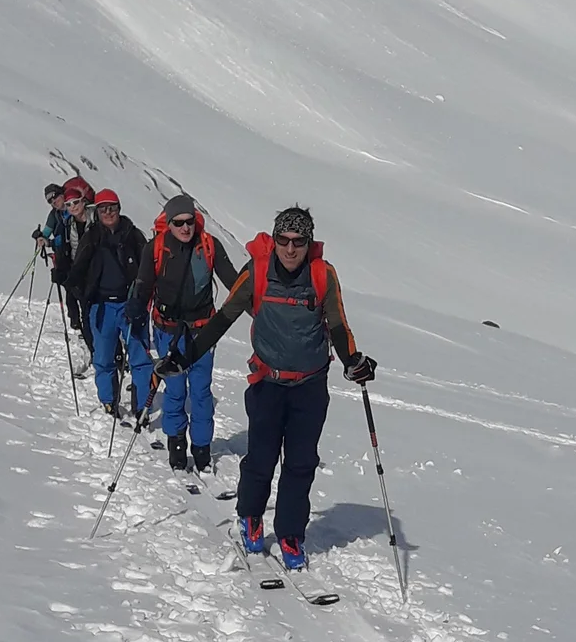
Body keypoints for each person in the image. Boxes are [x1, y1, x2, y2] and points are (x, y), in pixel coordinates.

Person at [162, 205, 375, 571]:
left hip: (310, 386)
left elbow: (338, 325)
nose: (290, 249)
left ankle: (291, 534)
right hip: (268, 383)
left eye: (298, 242)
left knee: (301, 464)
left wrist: (352, 361)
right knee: (261, 458)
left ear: (309, 243)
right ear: (274, 240)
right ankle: (250, 516)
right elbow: (224, 317)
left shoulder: (323, 275)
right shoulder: (257, 272)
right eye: (283, 240)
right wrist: (186, 356)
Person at [131, 192, 240, 475]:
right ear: (169, 223)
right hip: (167, 329)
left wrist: (259, 309)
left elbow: (235, 283)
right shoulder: (155, 247)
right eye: (178, 223)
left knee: (201, 392)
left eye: (189, 221)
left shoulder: (209, 246)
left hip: (202, 332)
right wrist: (135, 312)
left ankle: (201, 450)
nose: (185, 228)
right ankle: (176, 445)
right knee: (176, 391)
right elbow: (144, 284)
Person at [69, 188, 152, 418]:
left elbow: (148, 268)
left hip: (131, 305)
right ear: (97, 211)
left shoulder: (133, 235)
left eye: (112, 208)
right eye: (103, 208)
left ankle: (141, 406)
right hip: (101, 305)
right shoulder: (92, 236)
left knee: (140, 358)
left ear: (119, 209)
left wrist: (141, 297)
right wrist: (70, 281)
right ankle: (108, 401)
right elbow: (80, 267)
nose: (108, 212)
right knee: (103, 358)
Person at [48, 176, 93, 336]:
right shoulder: (58, 218)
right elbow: (51, 233)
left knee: (82, 297)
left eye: (55, 197)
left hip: (88, 266)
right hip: (73, 262)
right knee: (73, 292)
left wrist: (51, 244)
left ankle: (83, 324)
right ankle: (78, 322)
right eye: (50, 200)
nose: (54, 202)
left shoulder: (88, 217)